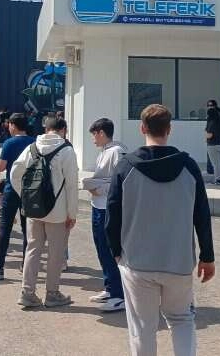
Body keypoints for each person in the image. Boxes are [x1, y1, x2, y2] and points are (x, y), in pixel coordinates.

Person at [106, 104, 215, 356]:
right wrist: (207, 256)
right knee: (181, 319)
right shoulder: (189, 167)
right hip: (178, 261)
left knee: (142, 327)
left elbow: (112, 215)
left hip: (137, 261)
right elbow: (202, 214)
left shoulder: (125, 166)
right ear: (169, 129)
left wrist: (116, 252)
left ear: (142, 128)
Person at [11, 116, 79, 308]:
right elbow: (72, 185)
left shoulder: (32, 147)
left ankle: (27, 293)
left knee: (33, 249)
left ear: (46, 129)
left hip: (34, 208)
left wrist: (25, 196)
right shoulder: (66, 150)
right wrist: (72, 213)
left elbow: (15, 174)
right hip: (58, 211)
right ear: (63, 130)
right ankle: (52, 294)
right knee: (55, 253)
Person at [81, 118, 127, 312]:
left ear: (101, 132)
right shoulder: (105, 151)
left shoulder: (117, 152)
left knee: (110, 250)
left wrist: (98, 188)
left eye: (94, 134)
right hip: (98, 206)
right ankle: (110, 288)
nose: (93, 138)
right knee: (101, 248)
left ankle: (118, 295)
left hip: (108, 208)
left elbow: (121, 181)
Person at [0, 113, 34, 281]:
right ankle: (26, 266)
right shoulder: (34, 142)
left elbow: (0, 167)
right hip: (29, 191)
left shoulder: (10, 143)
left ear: (13, 125)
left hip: (12, 189)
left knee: (5, 229)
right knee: (28, 230)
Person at [204, 99, 220, 185]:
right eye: (208, 105)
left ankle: (218, 180)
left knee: (215, 164)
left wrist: (206, 137)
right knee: (218, 163)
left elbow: (210, 134)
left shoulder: (212, 121)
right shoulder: (219, 119)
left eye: (210, 106)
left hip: (212, 144)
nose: (209, 107)